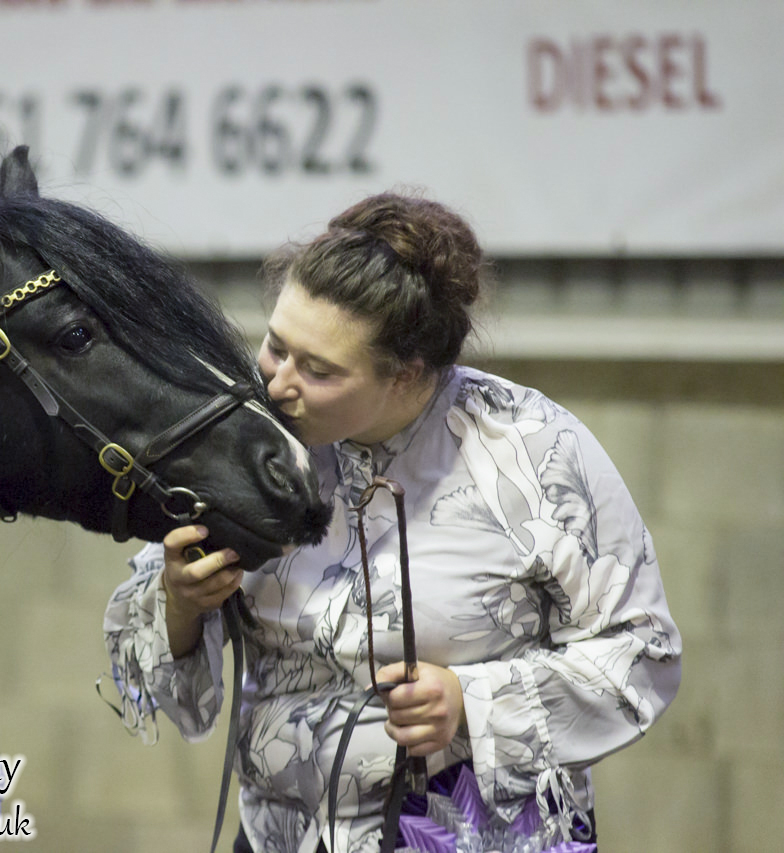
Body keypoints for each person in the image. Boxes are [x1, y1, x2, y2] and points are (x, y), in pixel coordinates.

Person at [103, 192, 681, 852]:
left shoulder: (535, 451)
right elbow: (157, 687)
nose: (278, 385)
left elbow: (645, 655)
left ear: (406, 377)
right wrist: (179, 601)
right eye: (274, 346)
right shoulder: (241, 441)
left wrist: (471, 700)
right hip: (281, 835)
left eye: (318, 369)